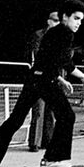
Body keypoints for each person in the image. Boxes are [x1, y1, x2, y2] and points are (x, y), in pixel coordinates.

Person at [0, 0, 84, 167]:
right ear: (65, 17)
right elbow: (65, 63)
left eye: (81, 20)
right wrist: (83, 77)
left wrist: (60, 79)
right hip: (45, 81)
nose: (78, 23)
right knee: (67, 115)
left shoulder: (51, 33)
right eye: (76, 18)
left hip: (34, 79)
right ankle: (54, 158)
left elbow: (48, 61)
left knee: (15, 120)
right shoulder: (65, 33)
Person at [27, 11, 60, 152]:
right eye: (55, 21)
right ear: (49, 21)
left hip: (54, 76)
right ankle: (35, 142)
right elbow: (38, 54)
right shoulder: (39, 35)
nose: (58, 24)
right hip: (41, 75)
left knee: (50, 111)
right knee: (39, 109)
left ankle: (48, 141)